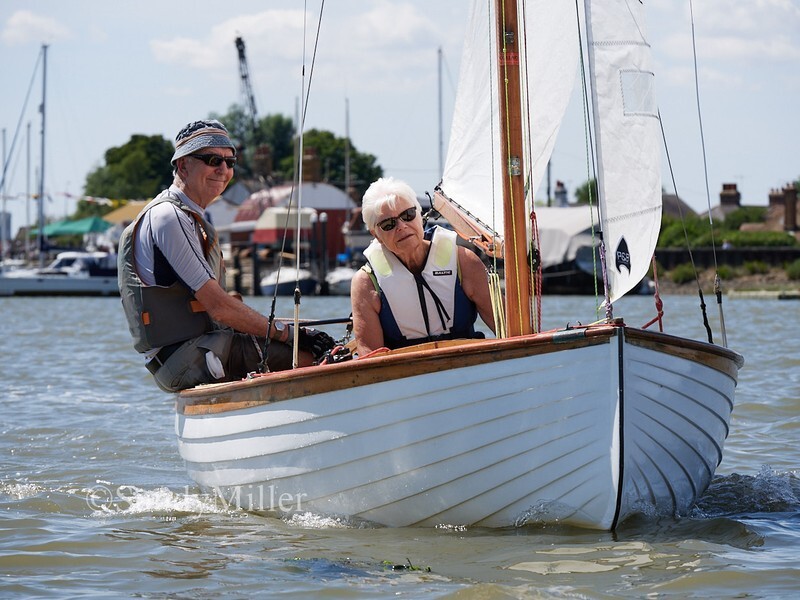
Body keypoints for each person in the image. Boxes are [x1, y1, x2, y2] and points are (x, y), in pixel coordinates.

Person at [118, 119, 333, 392]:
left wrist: (300, 329)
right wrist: (292, 334)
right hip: (186, 358)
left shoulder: (189, 216)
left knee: (316, 336)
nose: (223, 169)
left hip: (192, 351)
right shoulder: (169, 217)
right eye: (212, 160)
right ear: (183, 165)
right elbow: (218, 307)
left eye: (230, 162)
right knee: (314, 355)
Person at [350, 177, 496, 356]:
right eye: (388, 224)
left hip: (468, 364)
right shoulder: (366, 283)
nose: (402, 226)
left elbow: (511, 329)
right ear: (376, 235)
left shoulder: (464, 262)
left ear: (420, 215)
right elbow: (369, 356)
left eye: (408, 215)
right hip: (404, 375)